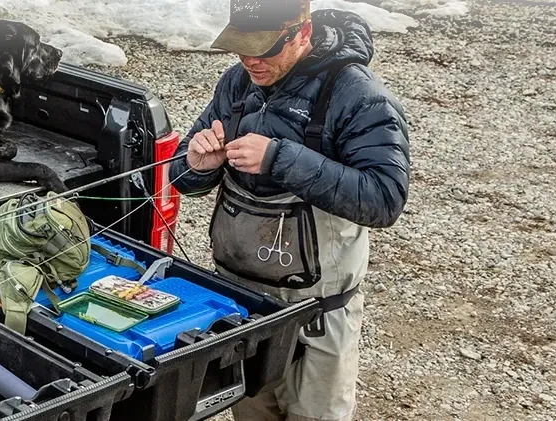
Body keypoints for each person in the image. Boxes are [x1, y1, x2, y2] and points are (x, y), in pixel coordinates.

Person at [169, 1, 411, 420]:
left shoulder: (357, 94)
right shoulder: (236, 84)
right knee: (249, 412)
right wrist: (195, 166)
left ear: (303, 32)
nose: (250, 60)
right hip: (240, 304)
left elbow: (385, 199)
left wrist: (281, 160)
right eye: (241, 47)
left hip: (316, 309)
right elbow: (179, 172)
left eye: (263, 48)